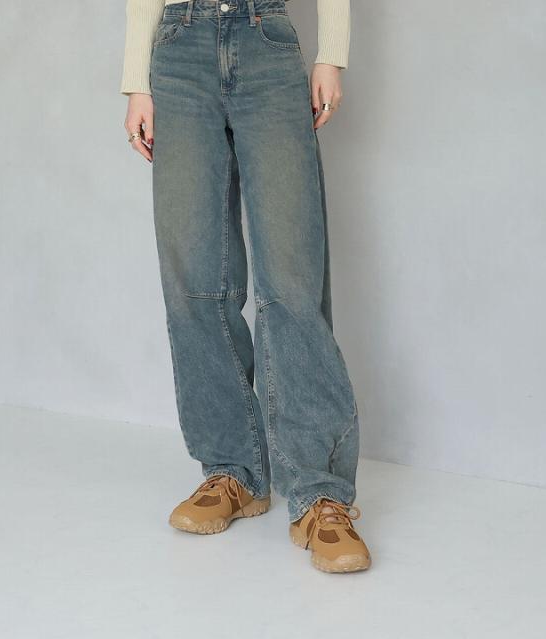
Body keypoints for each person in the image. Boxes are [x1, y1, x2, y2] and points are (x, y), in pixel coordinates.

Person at [121, 0, 371, 573]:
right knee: (193, 278)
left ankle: (320, 493)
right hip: (178, 51)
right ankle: (232, 471)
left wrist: (331, 54)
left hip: (267, 42)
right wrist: (137, 83)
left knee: (292, 280)